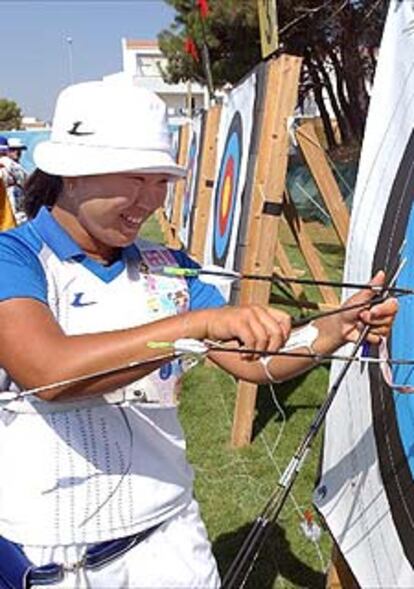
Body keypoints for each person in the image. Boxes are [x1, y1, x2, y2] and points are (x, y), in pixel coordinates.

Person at [0, 81, 397, 589]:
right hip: (59, 557)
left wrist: (337, 328)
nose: (149, 199)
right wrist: (195, 325)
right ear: (72, 176)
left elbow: (254, 363)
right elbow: (48, 372)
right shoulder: (17, 257)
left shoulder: (168, 269)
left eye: (161, 180)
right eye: (135, 178)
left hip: (169, 539)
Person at [0, 135, 28, 225]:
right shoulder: (8, 163)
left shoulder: (14, 166)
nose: (17, 152)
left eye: (19, 150)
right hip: (12, 213)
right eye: (13, 149)